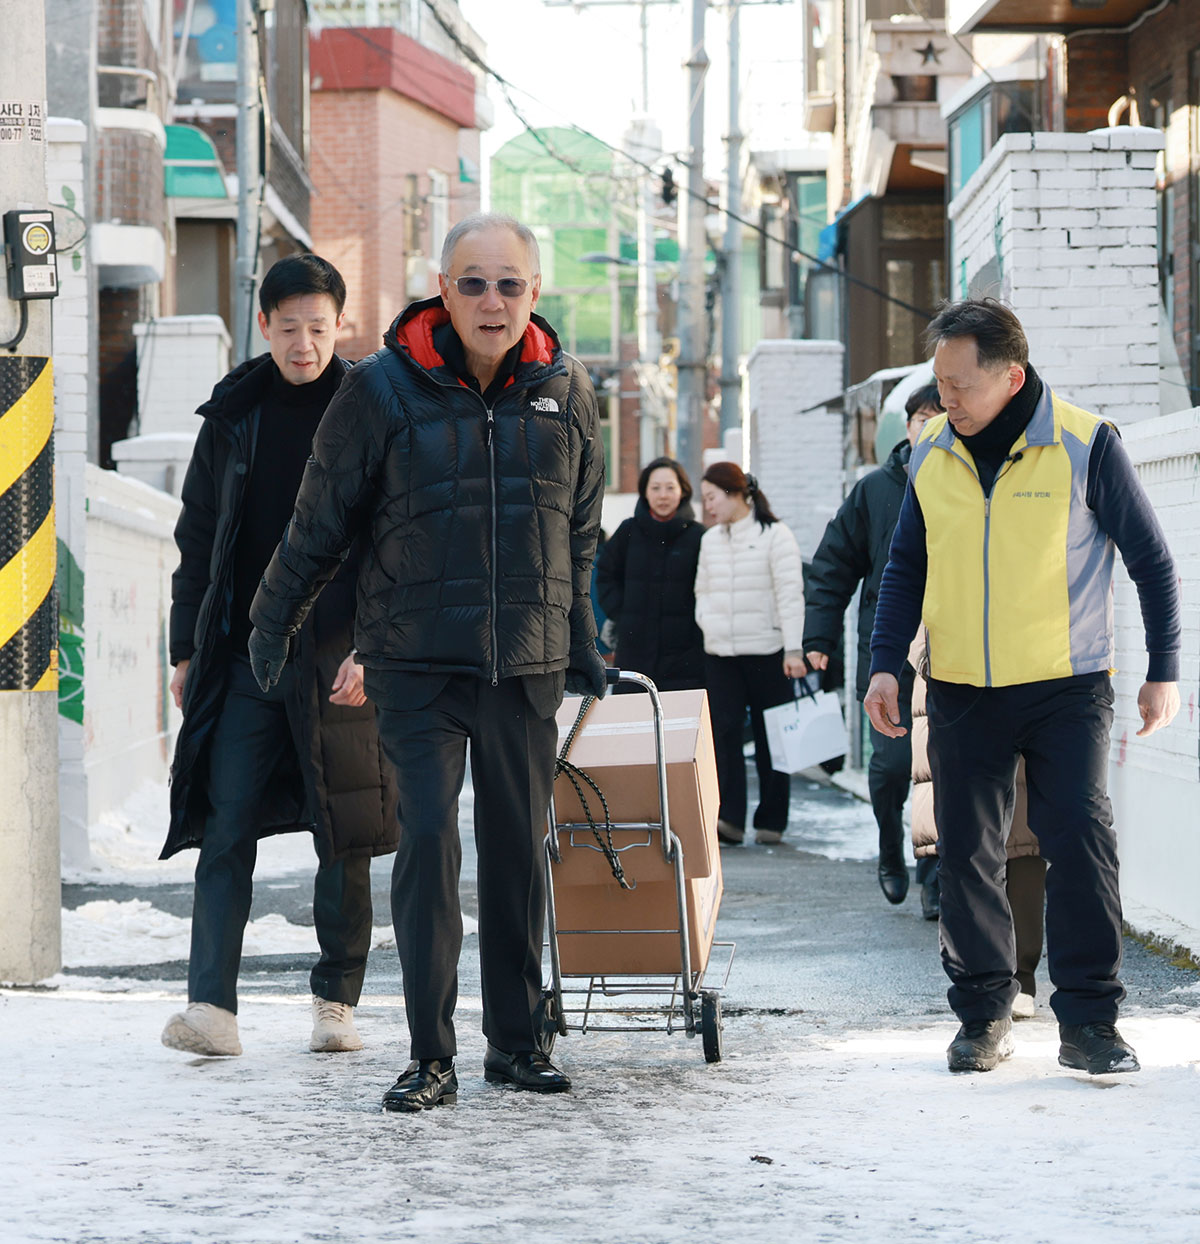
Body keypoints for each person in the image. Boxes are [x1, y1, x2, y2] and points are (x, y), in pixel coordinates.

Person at [247, 213, 606, 1111]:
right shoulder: (380, 390)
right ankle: (430, 1053)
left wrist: (581, 639)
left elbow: (582, 528)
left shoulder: (567, 388)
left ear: (534, 292)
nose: (492, 301)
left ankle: (517, 1044)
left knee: (521, 849)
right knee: (429, 849)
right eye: (473, 283)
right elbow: (318, 520)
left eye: (510, 284)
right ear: (441, 288)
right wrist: (271, 622)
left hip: (523, 661)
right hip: (415, 663)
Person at [865, 298, 1181, 1076]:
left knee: (1079, 840)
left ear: (1012, 375)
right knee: (968, 852)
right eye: (940, 384)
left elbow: (1153, 561)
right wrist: (885, 663)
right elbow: (907, 564)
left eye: (962, 385)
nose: (948, 401)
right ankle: (982, 1014)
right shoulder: (931, 451)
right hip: (964, 686)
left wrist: (1164, 670)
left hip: (1066, 685)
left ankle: (1091, 1023)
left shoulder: (1084, 443)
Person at [161, 254, 399, 1059]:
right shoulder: (235, 416)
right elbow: (199, 540)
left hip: (338, 655)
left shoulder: (372, 408)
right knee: (226, 824)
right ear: (264, 326)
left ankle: (336, 1001)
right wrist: (188, 646)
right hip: (242, 658)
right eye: (289, 328)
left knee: (344, 831)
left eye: (319, 328)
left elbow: (396, 542)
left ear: (342, 325)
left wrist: (374, 645)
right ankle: (211, 1009)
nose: (305, 344)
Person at [804, 383, 940, 910]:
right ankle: (890, 846)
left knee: (941, 770)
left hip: (951, 653)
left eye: (938, 417)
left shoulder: (964, 480)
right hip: (887, 652)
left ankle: (934, 875)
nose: (928, 427)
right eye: (919, 418)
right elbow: (833, 564)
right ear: (904, 428)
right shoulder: (875, 490)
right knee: (888, 768)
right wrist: (818, 637)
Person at [909, 630, 1045, 1017]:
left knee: (1021, 838)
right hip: (953, 680)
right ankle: (986, 982)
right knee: (969, 838)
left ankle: (1020, 977)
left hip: (1023, 674)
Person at [694, 463, 806, 846]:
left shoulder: (776, 536)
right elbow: (702, 591)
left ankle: (771, 821)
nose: (707, 506)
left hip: (768, 651)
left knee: (770, 737)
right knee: (723, 735)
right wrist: (707, 622)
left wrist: (793, 648)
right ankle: (730, 819)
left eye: (711, 497)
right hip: (721, 653)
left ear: (734, 493)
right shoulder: (710, 541)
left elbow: (790, 595)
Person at [596, 457, 705, 691]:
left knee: (681, 722)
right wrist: (623, 613)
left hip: (685, 657)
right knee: (634, 720)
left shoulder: (698, 536)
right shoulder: (628, 531)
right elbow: (604, 574)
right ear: (645, 491)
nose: (662, 495)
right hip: (635, 651)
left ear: (683, 491)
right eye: (655, 488)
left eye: (670, 488)